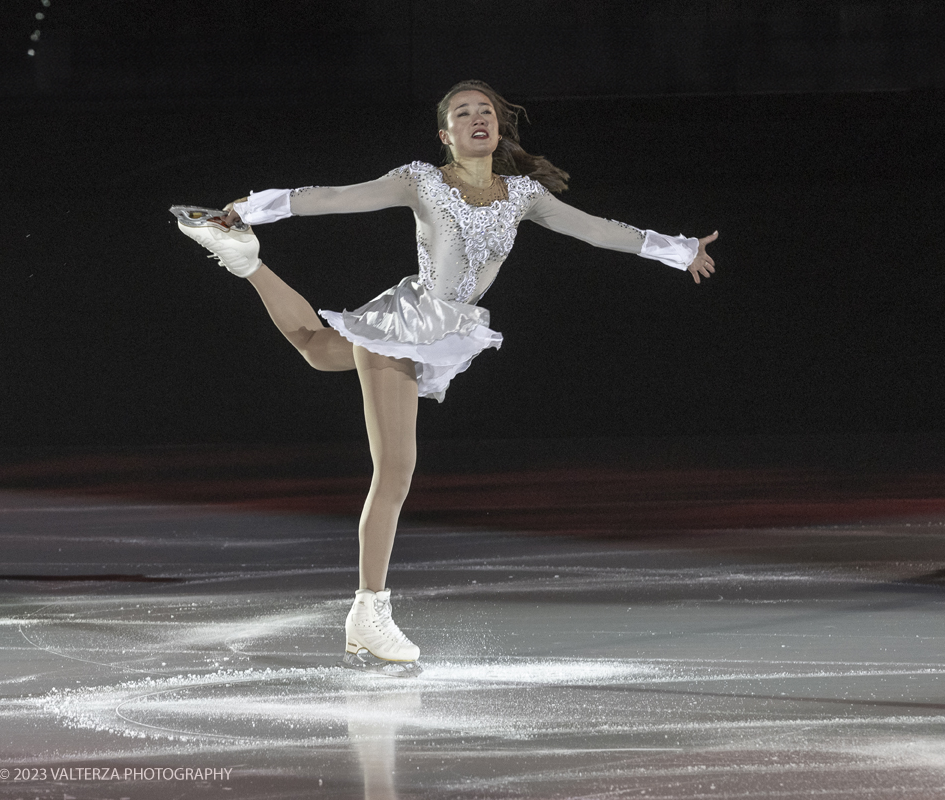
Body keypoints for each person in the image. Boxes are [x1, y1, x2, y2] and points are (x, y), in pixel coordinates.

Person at [174, 79, 717, 667]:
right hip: (410, 325)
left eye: (486, 111)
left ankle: (246, 262)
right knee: (397, 469)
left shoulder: (524, 195)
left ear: (499, 129)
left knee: (317, 348)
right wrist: (249, 207)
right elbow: (332, 197)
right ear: (446, 134)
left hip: (445, 327)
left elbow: (597, 229)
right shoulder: (421, 181)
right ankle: (369, 610)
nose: (478, 117)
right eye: (464, 112)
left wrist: (677, 249)